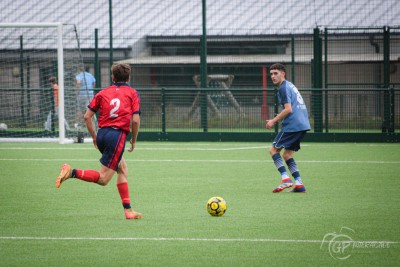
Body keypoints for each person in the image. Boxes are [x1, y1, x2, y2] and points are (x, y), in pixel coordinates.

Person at [56, 63, 142, 219]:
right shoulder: (132, 93)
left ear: (113, 77)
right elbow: (135, 121)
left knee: (122, 169)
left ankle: (128, 210)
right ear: (128, 77)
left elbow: (87, 116)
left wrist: (95, 136)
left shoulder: (103, 93)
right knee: (103, 179)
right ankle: (71, 172)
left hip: (102, 134)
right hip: (116, 137)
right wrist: (134, 140)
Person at [266, 63, 310, 193]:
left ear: (283, 74)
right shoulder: (290, 85)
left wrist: (273, 120)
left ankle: (285, 179)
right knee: (287, 154)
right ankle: (299, 184)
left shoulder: (283, 88)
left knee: (273, 150)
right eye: (271, 74)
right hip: (303, 125)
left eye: (276, 73)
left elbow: (288, 109)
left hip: (293, 125)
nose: (273, 76)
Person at [75, 64, 96, 128]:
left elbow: (78, 83)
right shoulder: (90, 75)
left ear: (78, 68)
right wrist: (92, 90)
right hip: (90, 94)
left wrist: (77, 91)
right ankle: (94, 123)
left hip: (82, 94)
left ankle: (79, 124)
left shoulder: (79, 76)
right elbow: (94, 82)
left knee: (80, 109)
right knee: (90, 109)